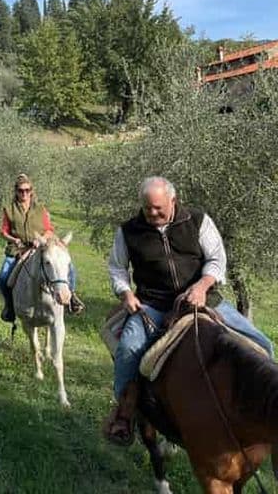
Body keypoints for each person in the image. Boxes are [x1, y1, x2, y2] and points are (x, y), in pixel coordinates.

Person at [103, 176, 274, 446]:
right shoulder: (129, 231)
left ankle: (261, 413)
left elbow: (217, 260)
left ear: (173, 199)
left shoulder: (197, 221)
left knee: (263, 344)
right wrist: (125, 293)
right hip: (154, 304)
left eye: (158, 208)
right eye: (148, 208)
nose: (153, 213)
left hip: (205, 299)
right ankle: (124, 411)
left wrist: (203, 286)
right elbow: (116, 268)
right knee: (128, 350)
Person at [0, 173, 84, 323]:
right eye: (20, 190)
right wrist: (14, 240)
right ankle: (10, 307)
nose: (24, 193)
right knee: (3, 276)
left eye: (27, 190)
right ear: (16, 191)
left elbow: (49, 229)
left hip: (41, 247)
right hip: (18, 249)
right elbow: (3, 231)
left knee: (68, 268)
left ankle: (72, 298)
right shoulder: (9, 210)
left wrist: (42, 239)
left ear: (31, 191)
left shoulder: (40, 209)